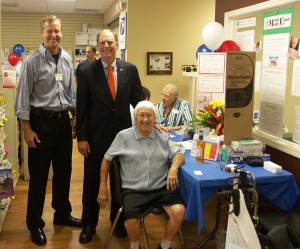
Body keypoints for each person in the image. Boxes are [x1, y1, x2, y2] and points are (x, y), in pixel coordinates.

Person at [14, 15, 82, 246]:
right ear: (41, 34)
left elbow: (70, 91)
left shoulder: (65, 57)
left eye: (57, 31)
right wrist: (26, 128)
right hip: (40, 124)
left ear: (61, 33)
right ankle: (35, 224)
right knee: (40, 177)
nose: (54, 35)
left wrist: (75, 117)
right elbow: (22, 97)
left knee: (64, 173)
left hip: (63, 123)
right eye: (49, 31)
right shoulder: (32, 62)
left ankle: (62, 214)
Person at [76, 29, 145, 243]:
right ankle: (89, 224)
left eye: (110, 42)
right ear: (98, 47)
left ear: (117, 44)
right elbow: (83, 107)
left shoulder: (130, 70)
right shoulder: (87, 71)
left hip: (124, 138)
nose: (106, 46)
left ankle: (119, 221)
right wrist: (81, 137)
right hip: (96, 138)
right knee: (92, 183)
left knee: (121, 183)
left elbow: (139, 101)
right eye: (102, 43)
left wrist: (151, 123)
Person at [98, 100, 185, 249]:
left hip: (160, 188)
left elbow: (178, 153)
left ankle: (165, 245)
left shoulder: (162, 135)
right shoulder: (123, 136)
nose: (145, 119)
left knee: (179, 211)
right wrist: (103, 187)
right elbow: (107, 159)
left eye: (149, 115)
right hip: (134, 189)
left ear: (155, 118)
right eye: (141, 115)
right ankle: (135, 246)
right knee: (131, 221)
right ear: (135, 117)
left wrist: (173, 168)